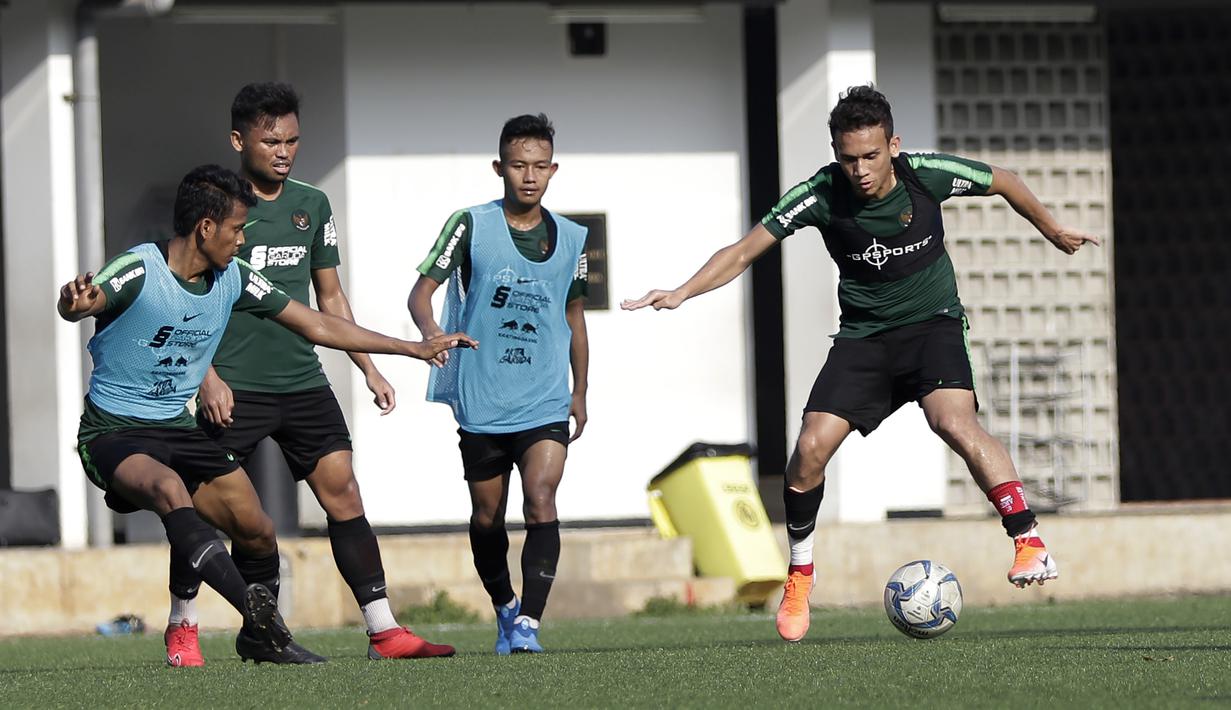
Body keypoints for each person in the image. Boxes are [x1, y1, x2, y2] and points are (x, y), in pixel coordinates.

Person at [622, 85, 1099, 643]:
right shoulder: (821, 193)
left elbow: (1005, 180)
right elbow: (745, 249)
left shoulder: (927, 174)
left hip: (933, 326)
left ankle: (1028, 541)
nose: (860, 169)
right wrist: (683, 291)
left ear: (892, 145)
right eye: (848, 158)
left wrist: (1051, 228)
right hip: (864, 340)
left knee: (953, 421)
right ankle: (800, 573)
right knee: (808, 450)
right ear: (835, 153)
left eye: (871, 156)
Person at [62, 164, 474, 665]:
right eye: (237, 229)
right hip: (116, 431)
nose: (241, 240)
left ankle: (257, 639)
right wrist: (76, 303)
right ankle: (257, 616)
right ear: (206, 228)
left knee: (257, 530)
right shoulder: (141, 268)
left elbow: (318, 325)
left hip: (178, 428)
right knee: (170, 489)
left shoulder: (233, 278)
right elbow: (90, 296)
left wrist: (409, 347)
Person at [162, 82, 458, 666]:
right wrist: (206, 376)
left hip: (300, 380)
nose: (284, 150)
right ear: (238, 139)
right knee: (202, 507)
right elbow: (180, 295)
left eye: (293, 140)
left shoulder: (312, 205)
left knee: (344, 490)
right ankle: (183, 625)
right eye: (272, 140)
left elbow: (329, 298)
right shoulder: (214, 205)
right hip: (231, 384)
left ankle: (383, 631)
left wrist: (368, 367)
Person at [408, 113, 590, 654]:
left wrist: (580, 391)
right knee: (488, 516)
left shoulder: (574, 237)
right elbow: (421, 292)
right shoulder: (469, 225)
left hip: (546, 397)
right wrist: (432, 332)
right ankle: (506, 608)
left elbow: (575, 318)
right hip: (483, 398)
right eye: (517, 165)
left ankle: (529, 624)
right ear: (499, 167)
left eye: (539, 166)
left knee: (541, 499)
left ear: (553, 169)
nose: (528, 176)